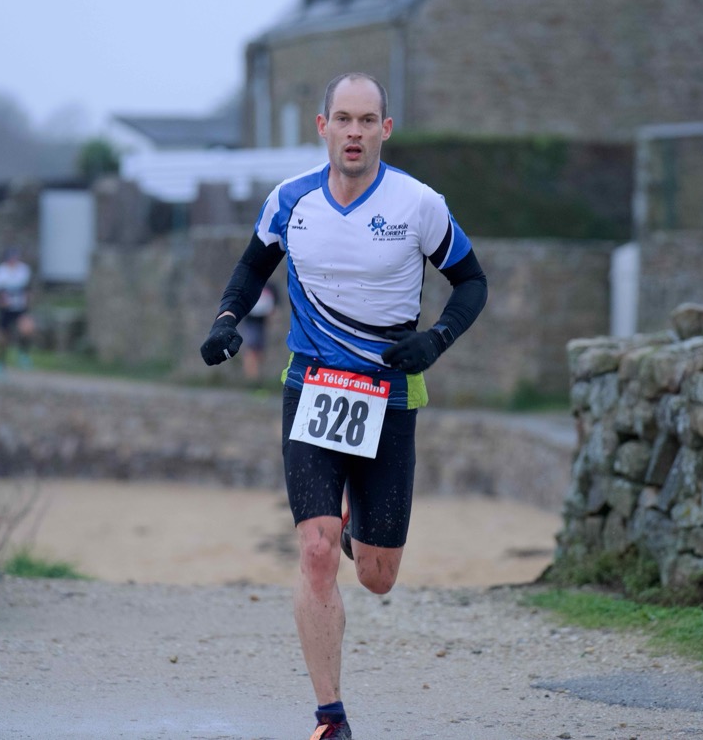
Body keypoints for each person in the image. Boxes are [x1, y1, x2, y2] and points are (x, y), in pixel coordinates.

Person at [199, 73, 487, 739]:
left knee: (378, 577)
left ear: (385, 129)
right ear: (322, 126)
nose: (354, 132)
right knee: (317, 551)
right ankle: (331, 717)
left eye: (367, 120)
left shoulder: (419, 204)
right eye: (343, 119)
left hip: (389, 394)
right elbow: (252, 267)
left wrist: (436, 339)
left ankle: (358, 523)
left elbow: (472, 281)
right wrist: (226, 319)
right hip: (312, 389)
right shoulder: (290, 199)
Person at [0, 247, 35, 372]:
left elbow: (28, 287)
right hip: (5, 310)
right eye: (11, 259)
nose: (14, 261)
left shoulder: (24, 270)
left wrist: (28, 296)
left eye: (15, 258)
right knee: (3, 336)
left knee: (27, 328)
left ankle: (23, 354)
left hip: (20, 308)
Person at [240, 282, 278, 385]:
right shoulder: (250, 283)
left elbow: (274, 306)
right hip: (251, 322)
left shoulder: (271, 286)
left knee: (260, 353)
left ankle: (256, 377)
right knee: (251, 351)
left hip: (262, 323)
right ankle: (251, 379)